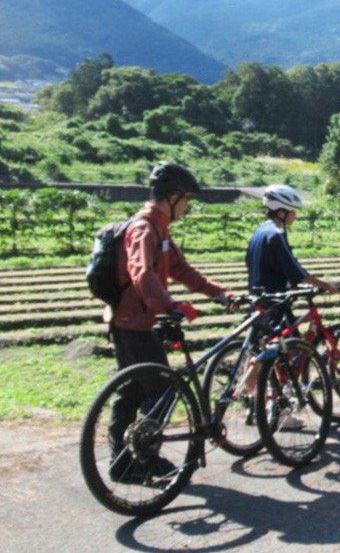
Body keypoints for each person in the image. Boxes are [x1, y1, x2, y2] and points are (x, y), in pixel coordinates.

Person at [104, 161, 233, 482]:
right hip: (132, 324)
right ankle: (141, 459)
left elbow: (182, 271)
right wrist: (170, 305)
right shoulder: (143, 229)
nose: (188, 207)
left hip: (138, 322)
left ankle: (122, 464)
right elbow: (141, 273)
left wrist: (219, 294)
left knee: (132, 391)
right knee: (162, 390)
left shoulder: (160, 230)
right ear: (173, 198)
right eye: (187, 200)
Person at [246, 184, 340, 296]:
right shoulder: (276, 234)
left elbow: (251, 262)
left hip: (257, 296)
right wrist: (327, 286)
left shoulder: (260, 231)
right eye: (293, 212)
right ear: (281, 213)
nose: (295, 216)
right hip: (273, 299)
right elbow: (294, 269)